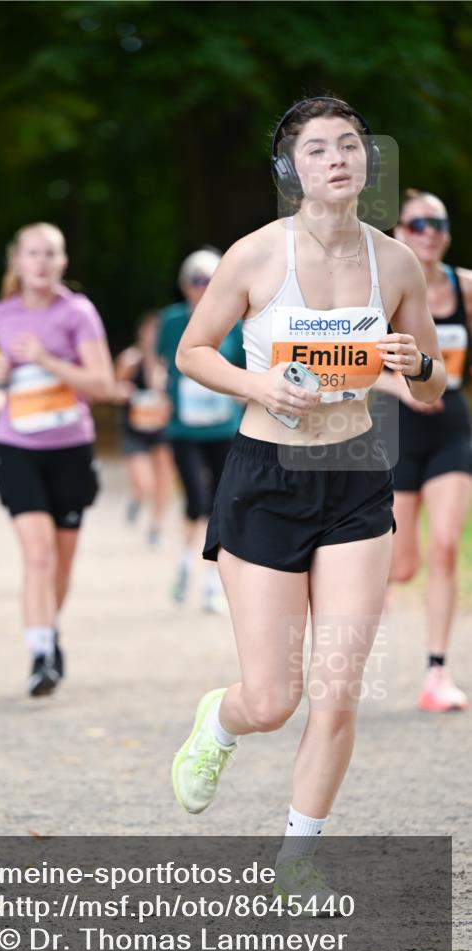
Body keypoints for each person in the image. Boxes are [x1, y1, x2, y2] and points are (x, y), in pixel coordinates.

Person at [170, 97, 446, 904]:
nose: (337, 159)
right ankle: (220, 722)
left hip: (358, 475)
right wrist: (257, 384)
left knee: (336, 686)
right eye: (318, 148)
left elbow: (430, 386)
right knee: (274, 697)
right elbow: (192, 352)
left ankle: (298, 855)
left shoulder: (395, 262)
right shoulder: (254, 256)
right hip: (265, 476)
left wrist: (411, 361)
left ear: (366, 161)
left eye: (350, 146)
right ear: (291, 169)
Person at [0, 222, 114, 696]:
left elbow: (103, 384)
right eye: (33, 253)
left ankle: (50, 632)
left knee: (61, 560)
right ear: (17, 261)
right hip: (17, 449)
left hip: (70, 449)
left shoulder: (78, 314)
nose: (41, 262)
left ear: (63, 262)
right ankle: (39, 652)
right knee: (37, 553)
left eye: (51, 253)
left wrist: (48, 360)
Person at [374, 190, 471, 712]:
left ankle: (437, 672)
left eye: (438, 222)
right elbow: (355, 362)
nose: (429, 231)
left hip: (451, 430)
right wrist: (401, 385)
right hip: (399, 432)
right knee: (404, 564)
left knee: (447, 546)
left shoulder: (465, 288)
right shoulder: (385, 291)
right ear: (399, 234)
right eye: (417, 224)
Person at [157, 249, 245, 612]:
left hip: (224, 427)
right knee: (196, 500)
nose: (202, 288)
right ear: (185, 285)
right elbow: (161, 363)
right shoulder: (172, 321)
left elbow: (245, 365)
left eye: (209, 280)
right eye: (196, 281)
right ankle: (183, 565)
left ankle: (212, 582)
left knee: (220, 502)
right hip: (184, 428)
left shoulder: (235, 321)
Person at [114, 312, 173, 546]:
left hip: (161, 428)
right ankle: (137, 498)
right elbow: (114, 390)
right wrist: (125, 391)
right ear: (142, 333)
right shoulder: (130, 359)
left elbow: (162, 389)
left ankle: (156, 527)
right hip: (135, 429)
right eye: (152, 331)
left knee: (164, 479)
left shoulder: (168, 362)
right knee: (145, 482)